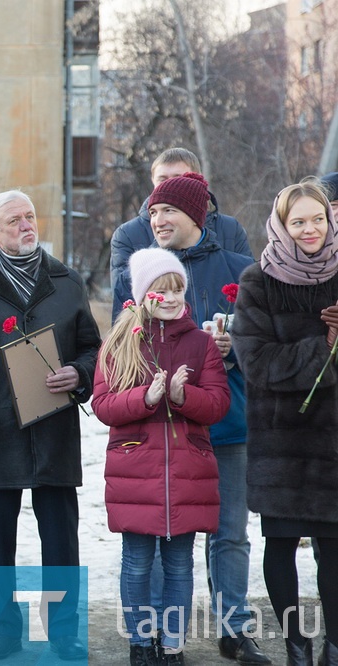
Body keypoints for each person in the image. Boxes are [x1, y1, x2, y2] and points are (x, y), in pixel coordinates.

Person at [111, 172, 267, 664]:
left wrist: (232, 346)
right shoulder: (137, 274)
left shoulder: (242, 271)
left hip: (227, 422)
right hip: (163, 433)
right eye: (153, 211)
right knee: (162, 536)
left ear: (196, 216)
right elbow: (124, 346)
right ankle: (157, 635)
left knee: (229, 534)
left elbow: (261, 341)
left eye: (168, 211)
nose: (157, 219)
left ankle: (234, 629)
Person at [0, 190, 100, 662]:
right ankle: (6, 634)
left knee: (61, 539)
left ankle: (64, 634)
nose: (26, 226)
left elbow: (94, 347)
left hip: (54, 430)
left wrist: (82, 372)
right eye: (14, 221)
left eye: (29, 217)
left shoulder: (66, 281)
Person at [95, 248, 229, 666]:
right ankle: (140, 641)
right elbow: (104, 405)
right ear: (142, 293)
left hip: (188, 473)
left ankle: (172, 645)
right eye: (160, 290)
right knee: (136, 563)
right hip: (136, 470)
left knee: (179, 565)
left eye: (177, 290)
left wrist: (181, 395)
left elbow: (218, 404)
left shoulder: (201, 343)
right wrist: (146, 397)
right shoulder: (120, 342)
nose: (170, 298)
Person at [233, 178, 338, 666]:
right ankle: (297, 645)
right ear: (281, 224)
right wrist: (325, 347)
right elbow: (257, 362)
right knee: (280, 546)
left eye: (318, 218)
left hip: (334, 442)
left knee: (334, 549)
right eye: (298, 221)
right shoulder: (259, 280)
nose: (310, 229)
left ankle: (334, 645)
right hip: (281, 438)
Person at [110, 147, 251, 317]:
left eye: (169, 210)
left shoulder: (241, 265)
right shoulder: (129, 269)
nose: (159, 222)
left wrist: (230, 340)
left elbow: (257, 331)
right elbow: (125, 332)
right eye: (153, 213)